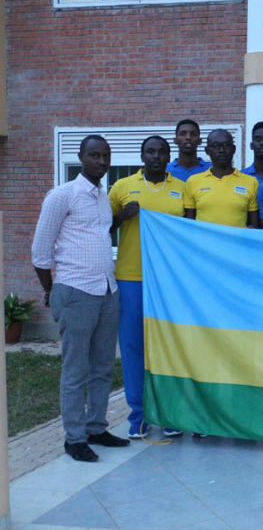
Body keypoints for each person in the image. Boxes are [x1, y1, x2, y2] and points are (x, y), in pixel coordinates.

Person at [32, 135, 130, 462]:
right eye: (94, 156)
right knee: (76, 370)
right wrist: (51, 289)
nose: (101, 162)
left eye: (106, 156)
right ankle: (74, 438)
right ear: (81, 157)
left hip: (106, 291)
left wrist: (122, 218)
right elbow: (40, 253)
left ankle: (96, 426)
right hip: (75, 291)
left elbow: (98, 232)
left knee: (102, 367)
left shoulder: (102, 197)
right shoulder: (63, 196)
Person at [109, 136, 185, 439]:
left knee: (170, 345)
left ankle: (169, 413)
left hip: (171, 280)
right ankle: (138, 415)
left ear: (169, 156)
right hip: (131, 277)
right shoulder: (122, 187)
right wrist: (121, 217)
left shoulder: (183, 189)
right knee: (132, 347)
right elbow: (100, 226)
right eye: (150, 151)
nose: (156, 156)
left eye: (161, 151)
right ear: (142, 155)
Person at [183, 129, 260, 229]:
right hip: (203, 244)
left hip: (236, 244)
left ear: (233, 149)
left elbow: (253, 226)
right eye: (215, 145)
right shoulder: (193, 182)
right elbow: (189, 225)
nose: (221, 150)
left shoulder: (251, 182)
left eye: (226, 145)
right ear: (207, 151)